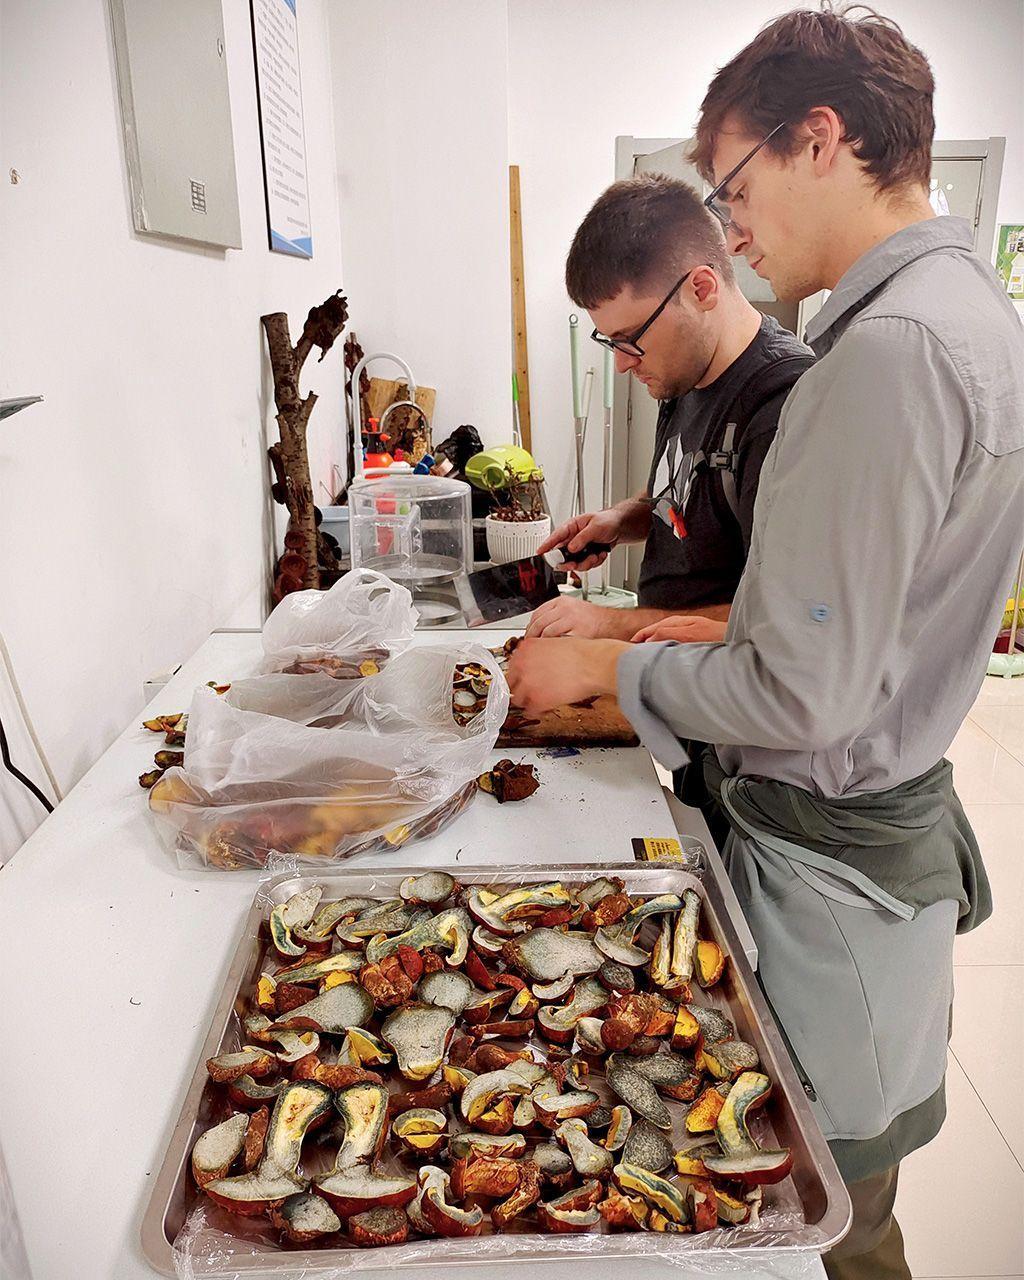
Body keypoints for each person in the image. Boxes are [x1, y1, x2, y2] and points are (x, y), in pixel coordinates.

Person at [507, 9, 1024, 1279]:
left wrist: (607, 663)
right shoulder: (957, 311)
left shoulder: (884, 356)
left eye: (734, 186)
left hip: (831, 857)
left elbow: (798, 685)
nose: (730, 229)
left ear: (820, 139)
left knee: (828, 1208)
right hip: (861, 839)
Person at [527, 176, 813, 646]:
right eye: (610, 341)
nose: (621, 363)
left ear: (701, 289)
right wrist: (621, 520)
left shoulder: (783, 404)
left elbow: (779, 620)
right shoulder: (684, 372)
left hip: (718, 701)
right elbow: (682, 495)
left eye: (631, 338)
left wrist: (606, 624)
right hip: (665, 672)